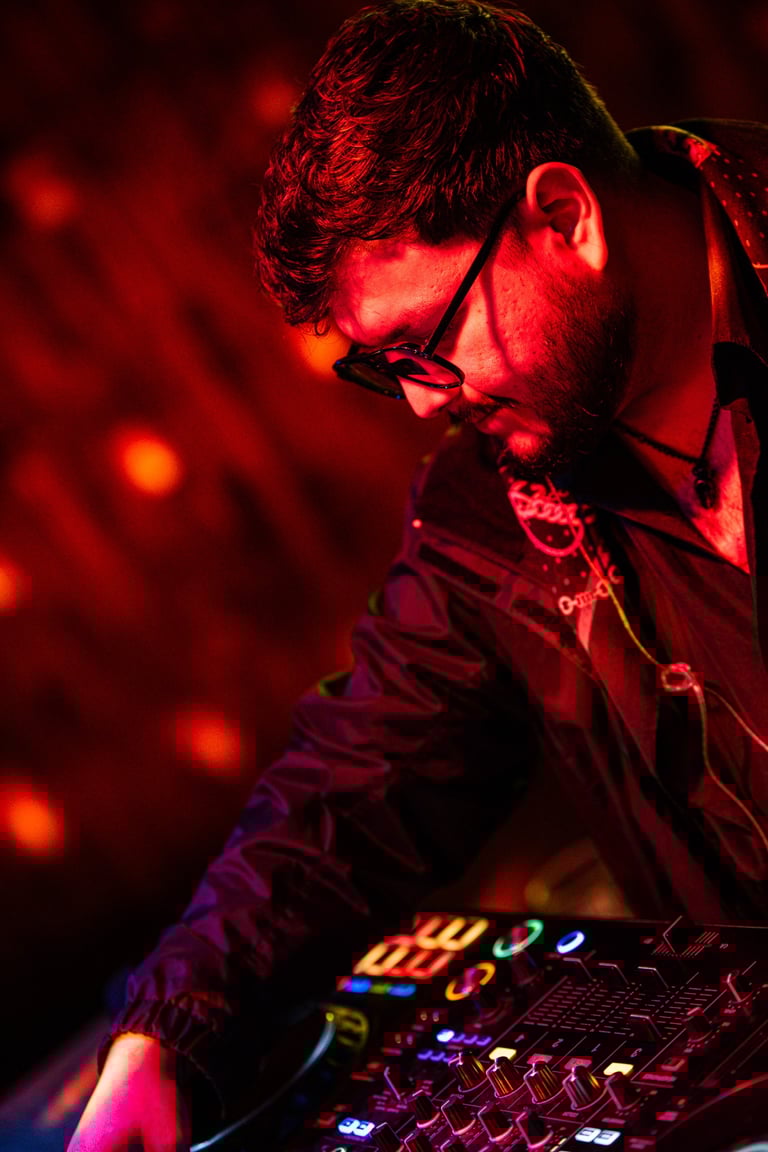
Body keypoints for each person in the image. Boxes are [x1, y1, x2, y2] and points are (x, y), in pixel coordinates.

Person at [69, 0, 768, 1148]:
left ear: (564, 217)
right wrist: (169, 1035)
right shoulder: (488, 502)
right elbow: (360, 785)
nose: (418, 401)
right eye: (381, 367)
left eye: (426, 344)